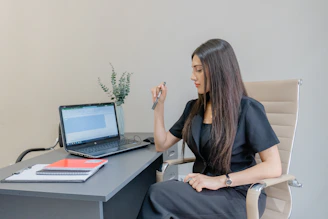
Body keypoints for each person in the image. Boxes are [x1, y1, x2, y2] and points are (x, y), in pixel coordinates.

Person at [137, 39, 282, 219]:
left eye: (198, 70)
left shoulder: (247, 109)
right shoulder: (194, 108)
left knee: (158, 195)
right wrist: (159, 108)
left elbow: (274, 167)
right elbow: (162, 144)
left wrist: (221, 181)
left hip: (239, 196)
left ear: (218, 71)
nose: (192, 76)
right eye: (192, 70)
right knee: (160, 195)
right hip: (204, 190)